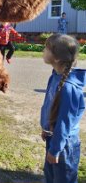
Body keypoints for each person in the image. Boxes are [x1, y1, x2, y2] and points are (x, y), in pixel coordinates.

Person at [40, 34, 86, 183]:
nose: (43, 50)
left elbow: (65, 122)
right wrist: (46, 127)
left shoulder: (69, 88)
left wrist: (55, 149)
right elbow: (49, 106)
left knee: (63, 179)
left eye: (46, 48)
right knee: (51, 176)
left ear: (58, 58)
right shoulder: (54, 77)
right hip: (53, 138)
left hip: (64, 145)